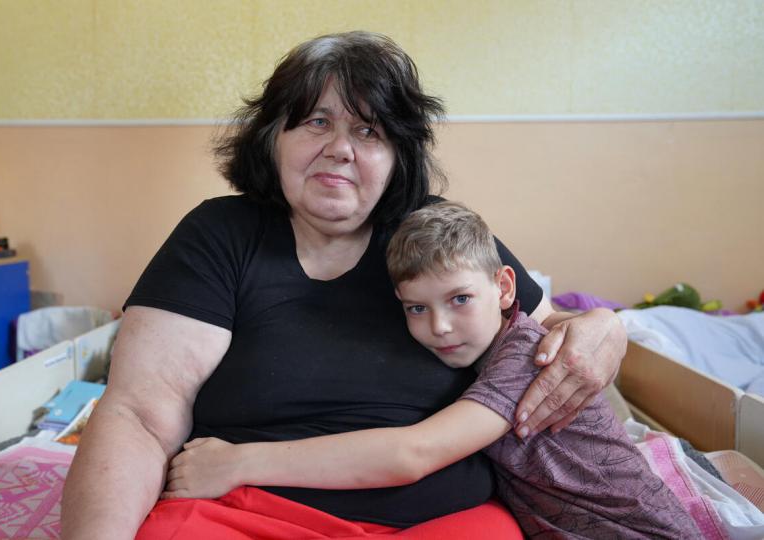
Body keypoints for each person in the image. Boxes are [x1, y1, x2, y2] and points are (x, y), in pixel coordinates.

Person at [61, 31, 627, 539]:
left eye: (368, 130)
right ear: (272, 138)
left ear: (397, 156)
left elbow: (547, 332)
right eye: (316, 122)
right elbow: (137, 414)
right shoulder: (219, 234)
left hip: (445, 523)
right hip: (243, 515)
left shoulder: (438, 235)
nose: (340, 147)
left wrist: (605, 328)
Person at [161, 202, 700, 538]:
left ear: (505, 288)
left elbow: (410, 454)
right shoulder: (471, 350)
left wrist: (237, 463)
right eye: (417, 308)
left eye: (460, 299)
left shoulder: (524, 355)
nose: (439, 327)